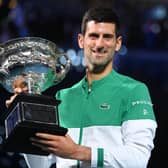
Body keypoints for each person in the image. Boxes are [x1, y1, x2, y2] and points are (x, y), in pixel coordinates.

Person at [14, 7, 157, 168]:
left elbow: (138, 159)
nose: (100, 44)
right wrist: (26, 117)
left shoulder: (134, 90)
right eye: (94, 36)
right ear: (81, 40)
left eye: (107, 37)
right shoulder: (63, 97)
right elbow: (40, 165)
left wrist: (76, 151)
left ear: (118, 43)